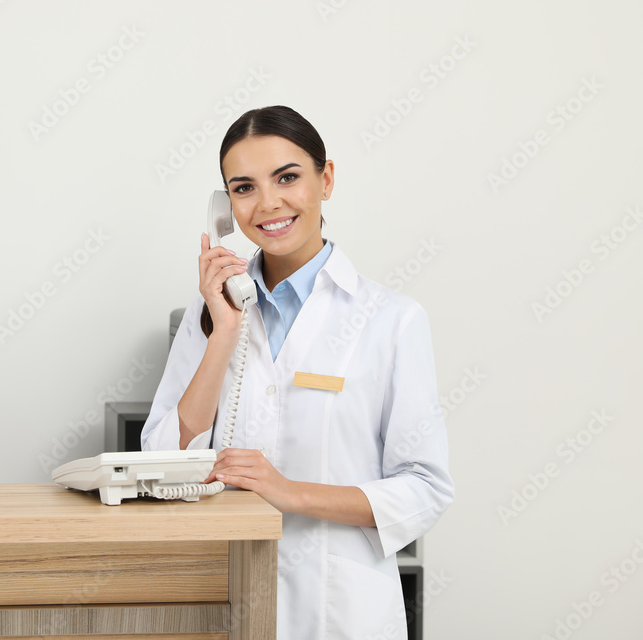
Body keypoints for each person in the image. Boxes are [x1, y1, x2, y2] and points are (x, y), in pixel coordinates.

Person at [140, 105, 454, 640]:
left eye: (287, 177)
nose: (268, 204)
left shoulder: (392, 320)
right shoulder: (211, 315)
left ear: (325, 179)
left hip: (341, 612)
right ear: (225, 206)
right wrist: (223, 335)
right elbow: (158, 461)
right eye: (244, 188)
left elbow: (425, 490)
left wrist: (290, 492)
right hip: (224, 597)